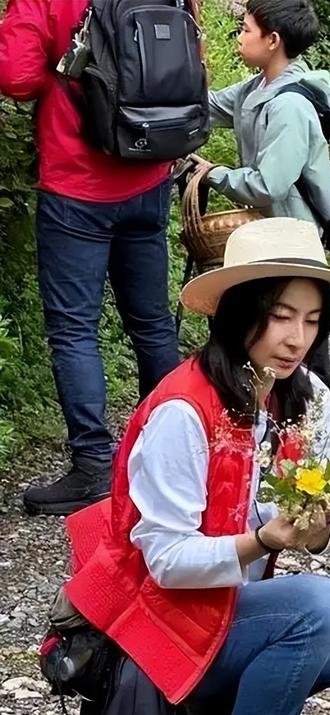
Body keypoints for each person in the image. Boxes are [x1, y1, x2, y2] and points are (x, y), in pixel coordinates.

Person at [62, 217, 330, 715]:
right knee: (312, 609)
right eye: (280, 315)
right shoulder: (183, 410)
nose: (296, 338)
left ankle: (237, 708)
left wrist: (321, 523)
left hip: (231, 605)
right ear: (238, 311)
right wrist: (263, 541)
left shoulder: (304, 395)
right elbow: (168, 563)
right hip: (160, 614)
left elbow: (308, 539)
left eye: (311, 320)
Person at [0, 0, 181, 516]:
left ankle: (94, 467)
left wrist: (59, 78)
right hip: (150, 169)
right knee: (150, 322)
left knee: (75, 329)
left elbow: (13, 77)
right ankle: (170, 453)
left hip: (77, 183)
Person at [205, 0, 330, 449]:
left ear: (273, 41)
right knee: (263, 329)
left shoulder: (289, 106)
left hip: (294, 238)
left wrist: (211, 174)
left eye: (246, 29)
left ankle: (319, 430)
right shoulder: (254, 90)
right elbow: (206, 105)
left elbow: (269, 183)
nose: (239, 36)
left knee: (301, 335)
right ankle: (260, 423)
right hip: (266, 239)